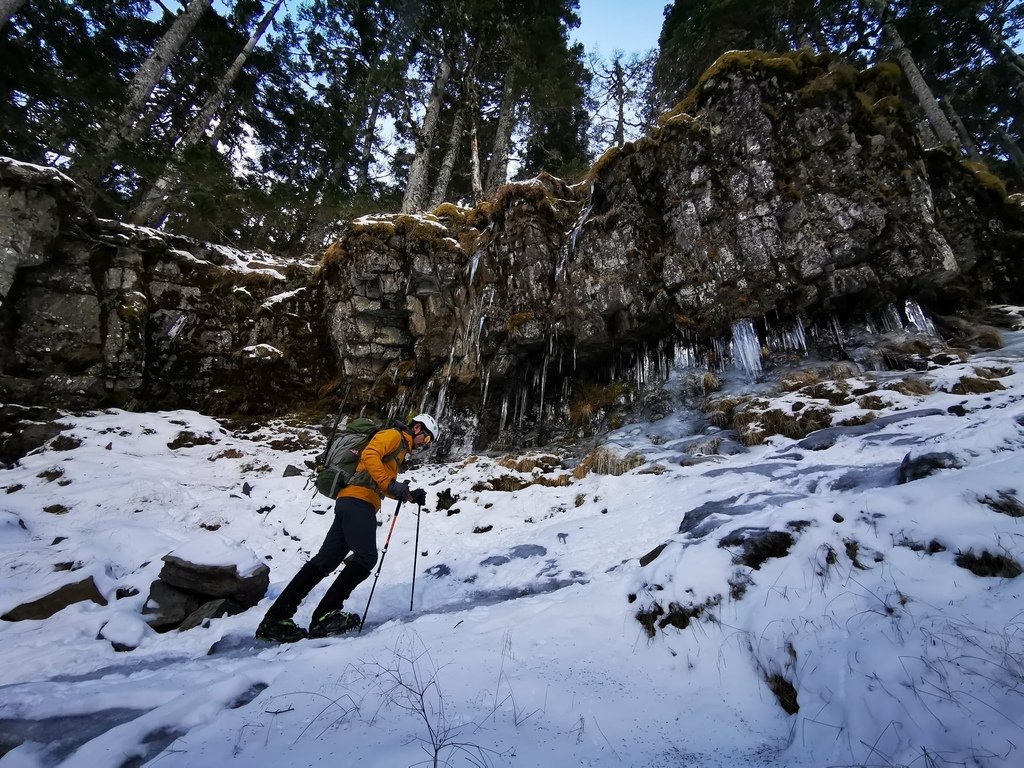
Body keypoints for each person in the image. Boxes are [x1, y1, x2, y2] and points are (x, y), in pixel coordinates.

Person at [255, 414, 438, 642]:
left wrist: (409, 495)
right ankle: (325, 615)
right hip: (358, 502)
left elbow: (375, 480)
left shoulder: (399, 449)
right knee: (366, 557)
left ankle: (275, 619)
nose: (424, 444)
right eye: (427, 439)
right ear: (418, 427)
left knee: (324, 562)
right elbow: (370, 456)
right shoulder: (393, 436)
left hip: (352, 501)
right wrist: (391, 484)